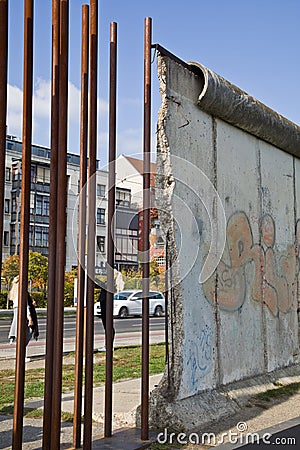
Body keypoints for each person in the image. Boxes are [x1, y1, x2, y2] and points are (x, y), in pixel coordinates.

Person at [8, 276, 39, 355]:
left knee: (20, 334)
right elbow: (24, 305)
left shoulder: (14, 291)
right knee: (26, 333)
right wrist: (30, 318)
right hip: (23, 314)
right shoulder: (21, 292)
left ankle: (20, 354)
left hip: (17, 313)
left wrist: (31, 303)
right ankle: (21, 355)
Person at [97, 282, 115, 352]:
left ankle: (108, 346)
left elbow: (103, 285)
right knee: (107, 325)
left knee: (108, 325)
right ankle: (108, 346)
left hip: (106, 302)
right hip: (104, 301)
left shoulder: (110, 282)